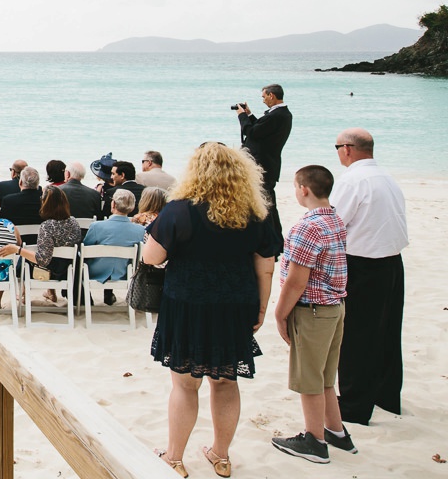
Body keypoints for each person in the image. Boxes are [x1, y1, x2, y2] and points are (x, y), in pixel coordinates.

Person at [142, 142, 279, 478]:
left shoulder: (179, 210)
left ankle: (174, 457)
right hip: (235, 303)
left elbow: (151, 258)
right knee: (226, 382)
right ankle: (221, 455)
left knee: (185, 386)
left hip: (188, 304)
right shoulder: (256, 213)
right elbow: (266, 267)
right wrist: (261, 307)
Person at [271, 165, 351, 464]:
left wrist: (280, 314)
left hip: (313, 310)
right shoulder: (335, 219)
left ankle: (315, 440)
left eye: (295, 186)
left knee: (309, 379)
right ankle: (336, 432)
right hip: (334, 307)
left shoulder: (307, 227)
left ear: (303, 189)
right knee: (325, 375)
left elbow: (296, 280)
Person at [330, 127, 408, 427]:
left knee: (356, 336)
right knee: (387, 331)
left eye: (337, 146)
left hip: (363, 264)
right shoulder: (386, 177)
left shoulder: (352, 180)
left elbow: (336, 223)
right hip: (392, 262)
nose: (337, 152)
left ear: (347, 149)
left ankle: (354, 405)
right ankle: (387, 395)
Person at [0, 185, 81, 304]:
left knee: (24, 258)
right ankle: (50, 292)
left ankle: (24, 294)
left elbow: (42, 260)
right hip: (68, 271)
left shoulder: (47, 226)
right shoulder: (73, 222)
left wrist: (17, 249)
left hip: (51, 273)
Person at [236, 83, 293, 244]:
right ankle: (274, 237)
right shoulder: (281, 114)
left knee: (265, 204)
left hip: (263, 166)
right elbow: (261, 130)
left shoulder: (277, 115)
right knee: (268, 203)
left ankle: (271, 238)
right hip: (269, 164)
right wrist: (250, 114)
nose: (263, 100)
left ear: (271, 96)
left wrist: (242, 116)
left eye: (263, 97)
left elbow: (252, 132)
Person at [82, 189, 145, 305]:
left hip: (95, 272)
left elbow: (85, 251)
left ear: (113, 204)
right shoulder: (140, 230)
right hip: (126, 273)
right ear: (131, 207)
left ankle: (84, 301)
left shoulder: (96, 226)